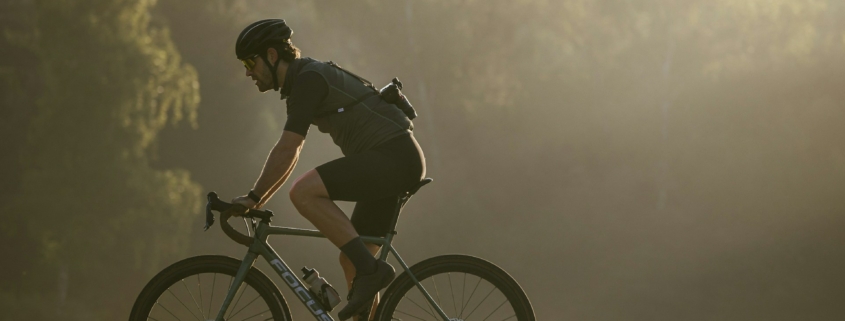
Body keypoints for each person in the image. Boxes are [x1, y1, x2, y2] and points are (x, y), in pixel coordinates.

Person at [229, 19, 425, 321]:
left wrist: (254, 197)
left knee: (304, 192)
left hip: (393, 156)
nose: (247, 72)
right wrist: (258, 199)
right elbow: (292, 154)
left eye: (249, 62)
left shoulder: (308, 79)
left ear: (271, 55)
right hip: (396, 159)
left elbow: (288, 148)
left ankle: (372, 271)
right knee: (350, 259)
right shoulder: (302, 82)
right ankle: (368, 276)